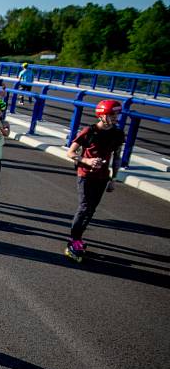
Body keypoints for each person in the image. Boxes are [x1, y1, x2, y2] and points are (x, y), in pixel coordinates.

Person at [64, 100, 124, 262]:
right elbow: (70, 153)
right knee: (84, 207)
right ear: (102, 115)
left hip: (103, 177)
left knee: (91, 210)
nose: (116, 117)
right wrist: (87, 161)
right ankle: (73, 240)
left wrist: (114, 179)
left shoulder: (118, 134)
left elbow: (117, 157)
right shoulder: (89, 131)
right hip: (85, 175)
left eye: (117, 114)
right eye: (112, 114)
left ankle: (79, 238)